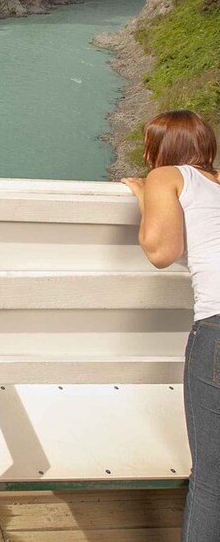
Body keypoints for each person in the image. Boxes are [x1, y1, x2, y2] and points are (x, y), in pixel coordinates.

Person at [121, 110, 218, 541]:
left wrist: (146, 194)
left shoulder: (167, 177)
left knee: (213, 481)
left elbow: (162, 252)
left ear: (156, 150)